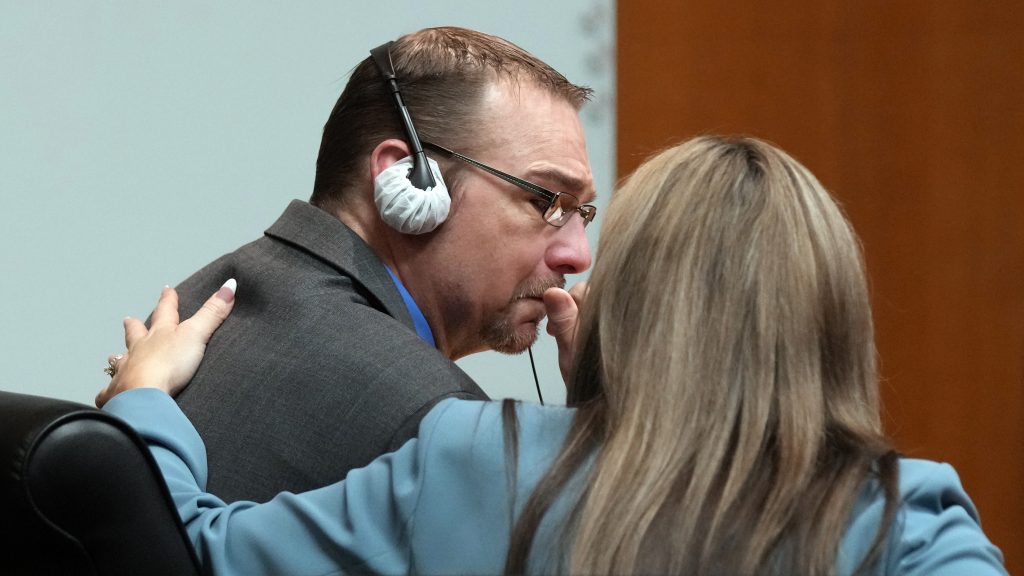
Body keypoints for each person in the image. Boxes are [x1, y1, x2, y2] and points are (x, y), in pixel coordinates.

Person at [97, 136, 1007, 575]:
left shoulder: (470, 460)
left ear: (631, 306)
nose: (568, 255)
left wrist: (144, 398)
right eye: (547, 205)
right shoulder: (911, 523)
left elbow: (191, 554)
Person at [166, 27, 597, 502]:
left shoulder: (197, 301)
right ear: (408, 179)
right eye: (546, 202)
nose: (578, 255)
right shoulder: (434, 424)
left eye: (582, 215)